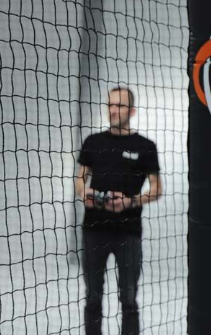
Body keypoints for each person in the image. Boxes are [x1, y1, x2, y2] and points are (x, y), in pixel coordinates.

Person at [75, 87, 163, 335]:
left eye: (120, 106)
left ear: (131, 111)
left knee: (129, 299)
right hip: (94, 230)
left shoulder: (145, 146)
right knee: (93, 297)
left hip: (128, 232)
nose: (113, 110)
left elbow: (157, 189)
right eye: (110, 105)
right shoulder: (93, 141)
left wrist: (129, 202)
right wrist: (86, 194)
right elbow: (80, 180)